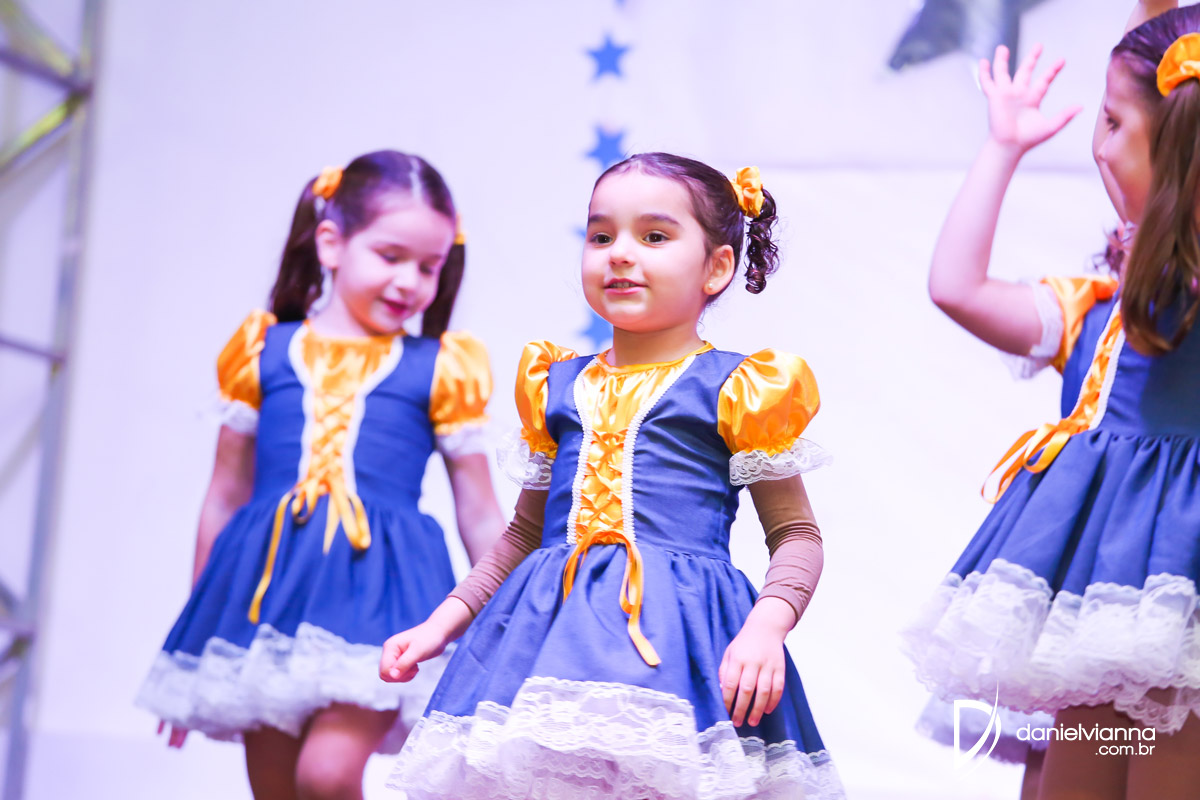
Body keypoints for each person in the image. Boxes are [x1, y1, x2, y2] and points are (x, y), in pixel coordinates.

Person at [380, 153, 846, 799]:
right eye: (601, 236)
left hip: (677, 647)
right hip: (549, 644)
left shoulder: (740, 388)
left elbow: (796, 534)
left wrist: (767, 626)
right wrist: (439, 626)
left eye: (653, 236)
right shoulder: (555, 386)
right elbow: (522, 536)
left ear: (717, 267)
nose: (620, 253)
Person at [136, 150, 505, 800]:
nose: (410, 282)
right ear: (331, 243)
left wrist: (505, 620)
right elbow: (224, 496)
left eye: (428, 266)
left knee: (326, 776)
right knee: (276, 789)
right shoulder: (262, 351)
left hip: (384, 599)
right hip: (267, 602)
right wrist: (200, 641)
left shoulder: (441, 367)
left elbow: (479, 511)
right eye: (390, 256)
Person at [904, 5, 1200, 796]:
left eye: (1113, 122)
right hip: (1097, 601)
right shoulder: (1093, 309)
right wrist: (1002, 147)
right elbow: (957, 287)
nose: (1097, 145)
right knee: (1069, 772)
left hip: (1181, 592)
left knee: (1169, 765)